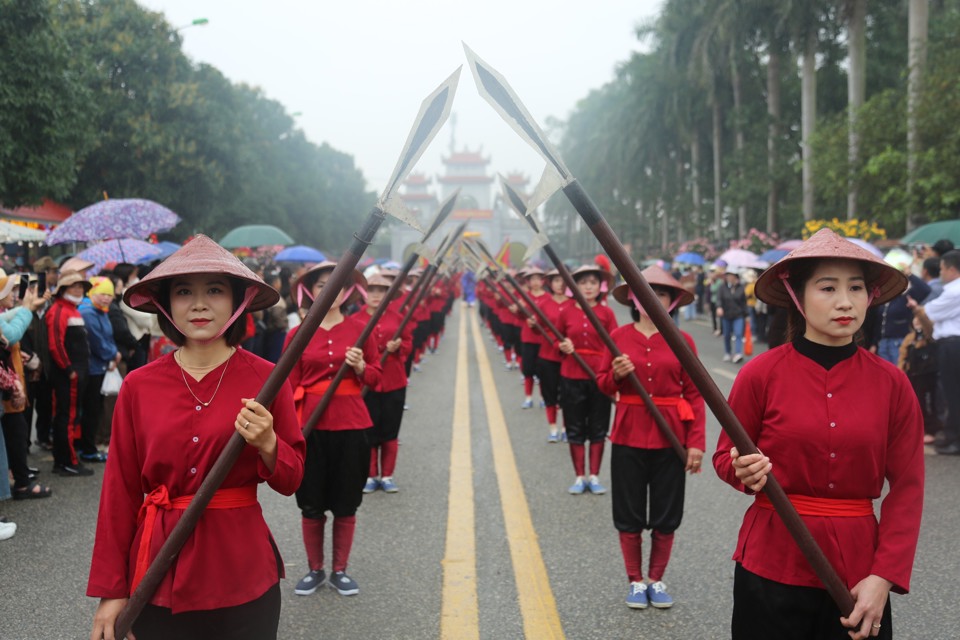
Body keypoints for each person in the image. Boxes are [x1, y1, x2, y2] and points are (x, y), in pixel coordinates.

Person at [88, 234, 305, 640]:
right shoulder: (138, 385)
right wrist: (111, 591)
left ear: (238, 300)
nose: (199, 304)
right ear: (166, 304)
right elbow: (119, 493)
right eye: (184, 291)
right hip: (156, 574)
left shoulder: (267, 379)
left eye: (215, 290)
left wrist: (269, 444)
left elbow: (292, 479)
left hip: (243, 574)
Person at [712, 229, 924, 640]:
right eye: (827, 287)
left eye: (856, 288)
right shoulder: (760, 373)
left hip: (859, 574)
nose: (845, 301)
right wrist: (743, 470)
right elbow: (725, 457)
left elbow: (908, 489)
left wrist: (884, 576)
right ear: (798, 296)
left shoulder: (893, 384)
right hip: (770, 560)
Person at [598, 267, 705, 610]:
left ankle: (656, 578)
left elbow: (696, 395)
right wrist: (615, 374)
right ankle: (635, 580)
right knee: (627, 512)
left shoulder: (683, 341)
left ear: (672, 302)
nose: (652, 299)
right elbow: (603, 384)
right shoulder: (618, 336)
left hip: (671, 437)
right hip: (628, 433)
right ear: (633, 298)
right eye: (645, 293)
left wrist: (696, 443)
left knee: (666, 512)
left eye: (660, 294)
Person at [286, 261, 381, 598]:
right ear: (310, 292)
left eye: (337, 284)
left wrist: (361, 366)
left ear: (347, 290)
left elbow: (377, 378)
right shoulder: (297, 334)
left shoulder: (362, 329)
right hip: (309, 427)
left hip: (352, 424)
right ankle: (315, 569)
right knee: (310, 503)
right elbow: (287, 385)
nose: (330, 290)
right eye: (322, 284)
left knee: (346, 502)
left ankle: (340, 570)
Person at [556, 264, 616, 494]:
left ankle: (595, 476)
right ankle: (580, 476)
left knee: (598, 428)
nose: (588, 287)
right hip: (571, 375)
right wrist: (563, 345)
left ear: (599, 286)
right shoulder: (566, 311)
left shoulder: (606, 313)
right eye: (583, 282)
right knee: (575, 427)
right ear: (575, 286)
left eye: (592, 282)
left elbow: (616, 343)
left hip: (599, 377)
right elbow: (555, 338)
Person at [359, 273, 412, 493]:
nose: (376, 295)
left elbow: (409, 343)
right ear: (364, 293)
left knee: (390, 429)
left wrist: (398, 346)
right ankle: (371, 475)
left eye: (382, 291)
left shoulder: (398, 317)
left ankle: (387, 475)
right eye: (372, 290)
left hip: (393, 380)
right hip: (366, 383)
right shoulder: (355, 320)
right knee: (369, 429)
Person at [0, 271, 51, 500]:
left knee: (16, 432)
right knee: (15, 432)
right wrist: (28, 310)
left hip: (11, 382)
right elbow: (11, 335)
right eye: (9, 289)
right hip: (8, 385)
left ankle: (19, 479)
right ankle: (19, 482)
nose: (15, 293)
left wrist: (26, 309)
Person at [909, 249, 960, 455]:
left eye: (941, 270)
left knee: (952, 393)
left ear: (951, 269)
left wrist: (917, 309)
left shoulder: (955, 291)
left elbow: (930, 311)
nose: (940, 274)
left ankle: (954, 436)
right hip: (950, 345)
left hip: (952, 345)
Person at [46, 270, 94, 477]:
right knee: (67, 417)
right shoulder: (59, 310)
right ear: (63, 289)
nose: (79, 290)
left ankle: (67, 460)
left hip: (77, 373)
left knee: (72, 416)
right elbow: (55, 344)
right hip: (68, 375)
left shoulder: (73, 310)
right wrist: (69, 370)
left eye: (81, 286)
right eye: (74, 286)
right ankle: (67, 462)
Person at [77, 277, 121, 462]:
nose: (106, 298)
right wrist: (113, 354)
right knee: (90, 410)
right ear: (92, 293)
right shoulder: (88, 312)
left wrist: (113, 354)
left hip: (101, 366)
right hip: (91, 368)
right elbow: (96, 341)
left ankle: (88, 446)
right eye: (102, 293)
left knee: (95, 409)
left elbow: (108, 337)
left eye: (109, 294)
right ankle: (87, 449)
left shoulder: (102, 311)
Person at [534, 269, 572, 443]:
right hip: (547, 355)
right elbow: (537, 327)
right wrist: (532, 324)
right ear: (550, 283)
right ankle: (553, 428)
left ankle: (565, 428)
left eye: (563, 280)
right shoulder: (544, 305)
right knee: (549, 393)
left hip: (568, 358)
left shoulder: (575, 304)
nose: (560, 284)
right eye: (556, 280)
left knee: (566, 395)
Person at [517, 267, 547, 409]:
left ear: (542, 281)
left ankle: (543, 398)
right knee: (527, 369)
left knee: (542, 371)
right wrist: (518, 308)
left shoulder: (548, 298)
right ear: (528, 282)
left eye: (538, 279)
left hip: (543, 339)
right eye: (532, 279)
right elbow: (518, 316)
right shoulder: (524, 297)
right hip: (528, 338)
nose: (535, 282)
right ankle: (528, 398)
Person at [716, 268, 748, 363]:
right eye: (728, 275)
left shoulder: (741, 287)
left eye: (731, 275)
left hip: (738, 315)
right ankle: (728, 353)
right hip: (726, 315)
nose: (729, 277)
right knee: (727, 335)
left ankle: (738, 353)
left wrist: (747, 315)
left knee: (738, 334)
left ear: (735, 277)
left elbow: (744, 303)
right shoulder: (723, 287)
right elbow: (719, 299)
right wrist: (719, 307)